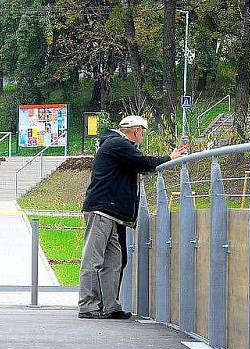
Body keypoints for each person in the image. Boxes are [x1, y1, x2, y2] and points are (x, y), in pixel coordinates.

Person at [78, 115, 187, 320]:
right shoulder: (118, 144)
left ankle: (111, 306)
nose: (142, 137)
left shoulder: (115, 145)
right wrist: (169, 158)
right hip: (102, 210)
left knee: (114, 260)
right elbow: (144, 163)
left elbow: (138, 164)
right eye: (143, 133)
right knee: (93, 259)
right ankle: (87, 306)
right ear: (136, 131)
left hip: (110, 212)